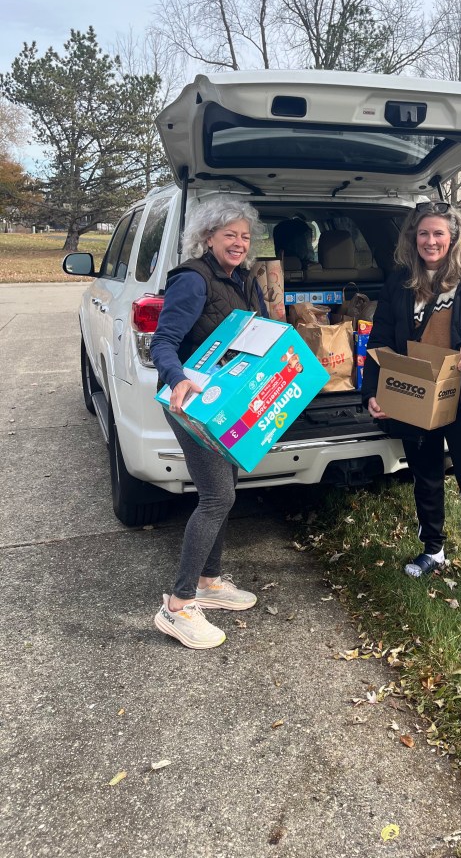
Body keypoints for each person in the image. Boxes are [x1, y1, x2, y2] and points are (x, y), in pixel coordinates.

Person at [362, 201, 461, 601]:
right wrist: (373, 393)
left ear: (454, 237)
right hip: (414, 397)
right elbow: (379, 342)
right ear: (412, 238)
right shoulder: (399, 283)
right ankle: (434, 549)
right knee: (426, 479)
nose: (430, 242)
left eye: (438, 234)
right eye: (423, 234)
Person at [150, 196, 265, 649]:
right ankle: (177, 606)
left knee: (225, 491)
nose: (238, 243)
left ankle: (209, 582)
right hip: (189, 402)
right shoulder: (193, 280)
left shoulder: (242, 280)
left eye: (244, 236)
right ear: (207, 237)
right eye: (229, 235)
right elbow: (163, 341)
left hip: (225, 400)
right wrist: (176, 378)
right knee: (218, 497)